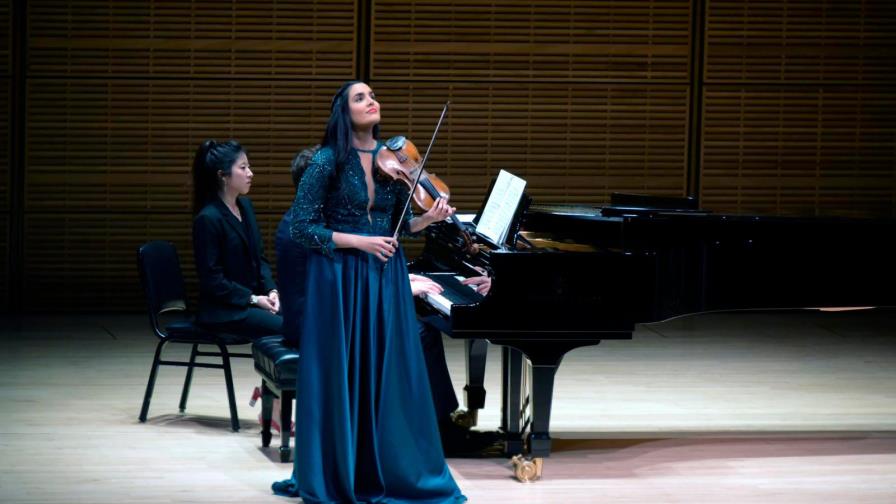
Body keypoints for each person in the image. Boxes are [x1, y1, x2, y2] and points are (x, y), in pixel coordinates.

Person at [273, 82, 465, 503]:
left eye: (373, 95)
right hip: (338, 280)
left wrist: (427, 220)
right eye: (360, 98)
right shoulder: (326, 161)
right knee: (343, 372)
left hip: (383, 277)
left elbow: (396, 227)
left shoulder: (392, 163)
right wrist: (359, 242)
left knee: (389, 373)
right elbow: (303, 228)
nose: (371, 101)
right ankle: (340, 471)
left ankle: (391, 466)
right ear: (343, 112)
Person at [191, 139, 282, 339]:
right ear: (223, 176)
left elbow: (260, 258)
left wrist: (271, 290)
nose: (250, 173)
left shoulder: (246, 207)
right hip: (224, 311)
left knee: (306, 317)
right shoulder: (208, 218)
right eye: (243, 167)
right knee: (292, 328)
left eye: (248, 166)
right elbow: (212, 280)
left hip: (252, 301)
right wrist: (253, 299)